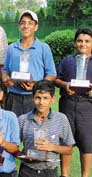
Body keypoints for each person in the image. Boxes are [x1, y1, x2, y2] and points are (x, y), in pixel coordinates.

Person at [2, 10, 56, 117]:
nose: (26, 26)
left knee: (34, 130)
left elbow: (52, 74)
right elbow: (5, 71)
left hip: (35, 97)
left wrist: (37, 85)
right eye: (23, 23)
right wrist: (7, 80)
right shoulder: (11, 48)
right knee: (14, 130)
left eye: (30, 23)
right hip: (14, 97)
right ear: (19, 26)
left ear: (36, 27)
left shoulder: (43, 48)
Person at [54, 28, 92, 177]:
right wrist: (65, 85)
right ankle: (65, 175)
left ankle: (85, 175)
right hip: (68, 104)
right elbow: (56, 78)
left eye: (87, 41)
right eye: (80, 41)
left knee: (87, 143)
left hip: (88, 106)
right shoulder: (67, 60)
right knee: (66, 141)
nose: (83, 44)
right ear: (75, 43)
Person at [18, 80, 75, 177]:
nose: (41, 102)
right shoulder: (23, 119)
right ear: (32, 98)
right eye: (38, 98)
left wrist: (51, 147)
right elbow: (13, 148)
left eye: (45, 98)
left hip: (49, 171)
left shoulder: (61, 119)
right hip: (27, 170)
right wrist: (24, 156)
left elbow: (69, 150)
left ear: (53, 99)